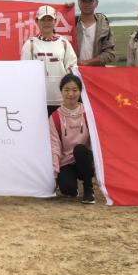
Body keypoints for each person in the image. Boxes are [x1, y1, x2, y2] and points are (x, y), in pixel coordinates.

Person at [22, 5, 78, 115]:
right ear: (37, 21)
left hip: (62, 100)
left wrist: (70, 93)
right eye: (43, 19)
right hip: (38, 100)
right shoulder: (30, 44)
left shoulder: (64, 43)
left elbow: (72, 69)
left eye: (49, 19)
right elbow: (24, 72)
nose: (46, 23)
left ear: (55, 21)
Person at [49, 75, 96, 203]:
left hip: (85, 159)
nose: (70, 94)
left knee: (80, 149)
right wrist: (54, 172)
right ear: (61, 91)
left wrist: (97, 167)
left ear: (80, 92)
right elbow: (55, 145)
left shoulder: (88, 113)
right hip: (66, 162)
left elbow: (96, 142)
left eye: (75, 90)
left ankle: (88, 189)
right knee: (67, 190)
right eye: (66, 90)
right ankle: (71, 186)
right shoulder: (55, 117)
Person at [75, 0, 116, 66]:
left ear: (96, 3)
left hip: (97, 72)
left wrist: (87, 62)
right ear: (78, 2)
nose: (86, 4)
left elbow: (110, 54)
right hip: (75, 72)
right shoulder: (71, 24)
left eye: (90, 1)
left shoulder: (103, 26)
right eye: (83, 1)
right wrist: (66, 10)